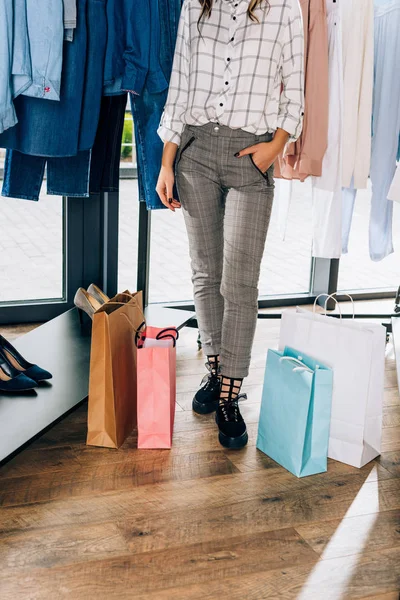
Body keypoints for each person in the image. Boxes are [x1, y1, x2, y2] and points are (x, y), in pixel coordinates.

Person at [157, 0, 304, 449]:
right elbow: (178, 86)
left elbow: (295, 93)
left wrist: (270, 150)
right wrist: (167, 163)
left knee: (238, 283)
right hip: (196, 154)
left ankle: (229, 392)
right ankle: (216, 369)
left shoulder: (286, 8)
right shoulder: (194, 5)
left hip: (249, 156)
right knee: (205, 272)